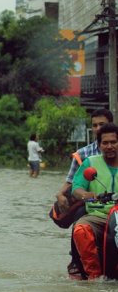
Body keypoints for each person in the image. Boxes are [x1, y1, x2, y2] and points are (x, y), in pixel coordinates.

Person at [54, 108, 113, 278]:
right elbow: (72, 181)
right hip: (93, 202)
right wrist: (60, 194)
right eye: (94, 125)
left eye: (102, 124)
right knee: (80, 218)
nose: (98, 128)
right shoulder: (84, 155)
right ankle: (77, 262)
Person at [71, 122, 118, 280]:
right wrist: (90, 196)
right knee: (81, 229)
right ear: (99, 145)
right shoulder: (90, 163)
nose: (109, 146)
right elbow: (76, 189)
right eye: (105, 143)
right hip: (98, 215)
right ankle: (94, 277)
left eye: (113, 142)